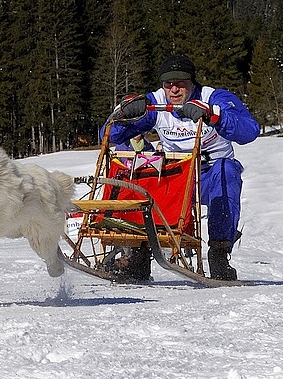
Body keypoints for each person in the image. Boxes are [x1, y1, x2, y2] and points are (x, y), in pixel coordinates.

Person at [109, 54, 260, 281]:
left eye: (181, 83)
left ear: (193, 83)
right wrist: (124, 114)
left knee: (226, 172)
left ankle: (219, 253)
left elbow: (250, 131)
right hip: (176, 174)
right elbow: (108, 135)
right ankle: (138, 254)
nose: (174, 89)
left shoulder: (214, 97)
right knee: (138, 172)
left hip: (211, 172)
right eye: (169, 84)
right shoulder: (155, 102)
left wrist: (213, 115)